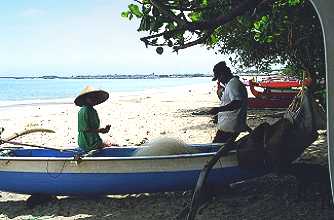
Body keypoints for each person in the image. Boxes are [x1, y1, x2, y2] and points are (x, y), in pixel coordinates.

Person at [211, 61, 249, 143]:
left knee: (216, 147)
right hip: (229, 126)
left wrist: (218, 110)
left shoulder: (233, 84)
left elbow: (237, 103)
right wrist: (219, 115)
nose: (219, 80)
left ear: (222, 74)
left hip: (230, 127)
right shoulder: (231, 83)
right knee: (219, 146)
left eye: (218, 77)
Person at [74, 85, 113, 152]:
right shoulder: (85, 111)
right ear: (85, 99)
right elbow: (87, 130)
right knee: (111, 144)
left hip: (90, 140)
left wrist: (104, 130)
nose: (93, 99)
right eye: (90, 97)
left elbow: (93, 129)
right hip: (88, 142)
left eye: (94, 97)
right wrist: (101, 130)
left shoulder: (91, 110)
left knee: (109, 143)